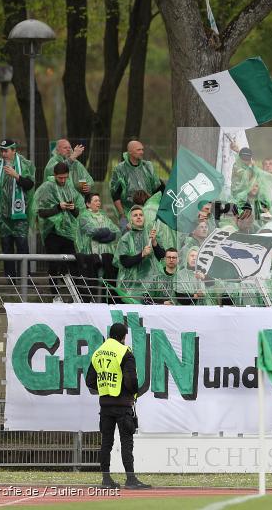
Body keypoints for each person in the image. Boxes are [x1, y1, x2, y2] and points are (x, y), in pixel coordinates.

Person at [85, 322, 151, 490]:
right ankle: (130, 479)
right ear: (123, 337)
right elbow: (131, 380)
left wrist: (105, 388)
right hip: (123, 405)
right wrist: (132, 393)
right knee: (126, 442)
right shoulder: (124, 352)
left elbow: (90, 381)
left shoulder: (98, 353)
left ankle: (106, 480)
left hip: (105, 405)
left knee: (106, 442)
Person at [34, 162, 84, 288]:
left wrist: (72, 208)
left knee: (73, 263)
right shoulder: (46, 188)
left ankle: (76, 293)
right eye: (60, 178)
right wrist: (58, 207)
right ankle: (54, 294)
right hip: (52, 232)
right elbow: (41, 212)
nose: (62, 180)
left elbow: (79, 212)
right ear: (54, 175)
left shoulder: (70, 188)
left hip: (68, 233)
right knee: (54, 265)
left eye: (65, 177)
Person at [0, 139, 35, 278]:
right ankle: (10, 278)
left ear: (14, 150)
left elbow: (29, 184)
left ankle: (24, 277)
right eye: (2, 151)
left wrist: (16, 175)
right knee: (6, 247)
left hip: (19, 214)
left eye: (6, 151)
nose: (3, 154)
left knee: (22, 245)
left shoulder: (25, 164)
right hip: (3, 215)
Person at [75, 193, 121, 301]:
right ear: (87, 203)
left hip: (106, 255)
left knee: (106, 280)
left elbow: (114, 231)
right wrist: (105, 233)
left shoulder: (104, 216)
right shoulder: (84, 216)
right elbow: (93, 232)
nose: (98, 203)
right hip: (91, 254)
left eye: (99, 201)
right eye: (95, 201)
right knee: (94, 279)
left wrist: (105, 235)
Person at [115, 206, 166, 302]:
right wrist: (142, 254)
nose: (139, 217)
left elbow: (162, 256)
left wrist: (154, 243)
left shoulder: (151, 235)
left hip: (152, 284)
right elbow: (124, 262)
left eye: (141, 215)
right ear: (131, 220)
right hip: (132, 286)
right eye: (135, 215)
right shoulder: (125, 238)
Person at [110, 141, 162, 218]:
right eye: (138, 150)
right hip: (129, 213)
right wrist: (122, 216)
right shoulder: (120, 169)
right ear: (130, 152)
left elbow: (158, 189)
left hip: (148, 211)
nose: (142, 152)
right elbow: (115, 195)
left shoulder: (147, 167)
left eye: (142, 149)